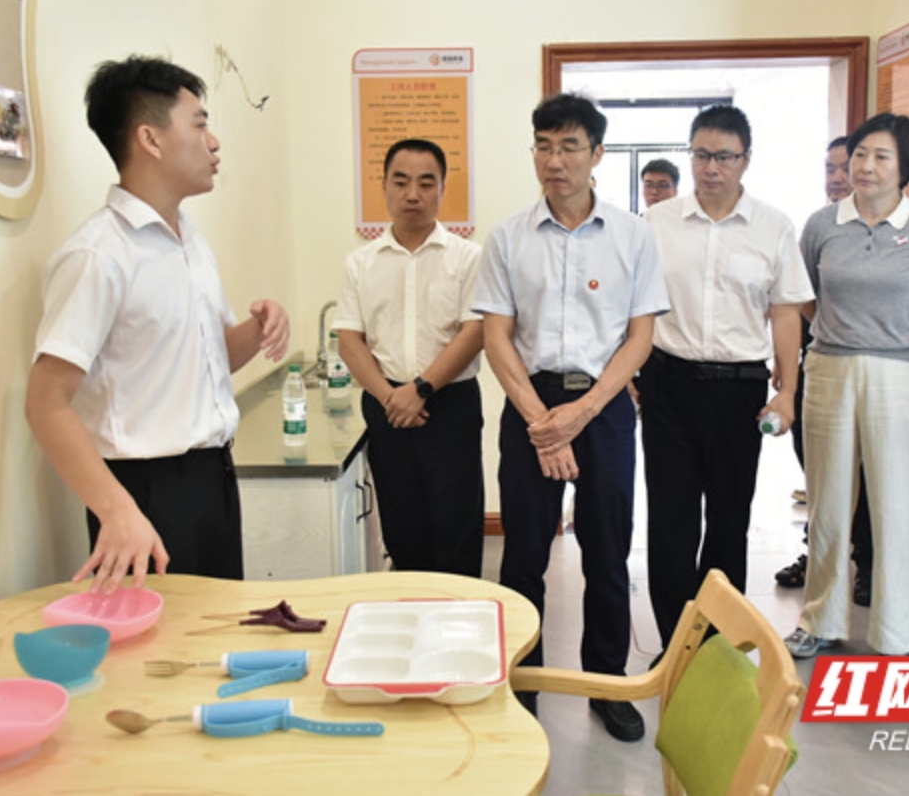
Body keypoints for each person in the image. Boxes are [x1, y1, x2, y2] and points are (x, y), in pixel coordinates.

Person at [26, 56, 289, 593]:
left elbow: (207, 359)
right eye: (199, 124)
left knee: (217, 631)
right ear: (150, 138)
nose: (214, 142)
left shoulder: (189, 240)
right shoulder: (99, 255)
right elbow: (45, 402)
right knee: (161, 643)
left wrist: (257, 329)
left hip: (212, 478)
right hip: (145, 494)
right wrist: (116, 510)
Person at [473, 93, 669, 742]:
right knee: (523, 556)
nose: (553, 160)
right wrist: (543, 425)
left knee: (607, 552)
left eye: (568, 147)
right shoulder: (508, 236)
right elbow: (497, 338)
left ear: (596, 154)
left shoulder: (633, 235)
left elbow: (639, 338)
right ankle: (521, 686)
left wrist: (579, 416)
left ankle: (605, 684)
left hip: (603, 407)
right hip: (530, 402)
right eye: (543, 146)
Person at [785, 113, 909, 659]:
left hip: (898, 374)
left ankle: (895, 633)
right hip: (829, 368)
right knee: (828, 501)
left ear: (906, 167)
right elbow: (805, 297)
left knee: (898, 502)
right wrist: (840, 331)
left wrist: (895, 337)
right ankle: (820, 620)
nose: (864, 166)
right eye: (859, 154)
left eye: (881, 156)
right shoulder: (821, 224)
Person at [640, 104, 812, 647]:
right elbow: (633, 305)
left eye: (724, 157)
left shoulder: (773, 227)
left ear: (746, 160)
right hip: (667, 385)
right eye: (701, 155)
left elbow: (785, 311)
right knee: (670, 522)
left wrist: (787, 392)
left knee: (729, 521)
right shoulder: (656, 223)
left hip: (739, 390)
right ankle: (675, 646)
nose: (711, 167)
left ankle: (714, 645)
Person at [334, 138, 486, 577]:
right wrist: (391, 397)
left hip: (450, 404)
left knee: (456, 528)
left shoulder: (468, 257)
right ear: (383, 186)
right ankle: (411, 611)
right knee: (403, 528)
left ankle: (460, 613)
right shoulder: (359, 263)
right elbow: (349, 339)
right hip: (387, 408)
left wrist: (420, 389)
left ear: (442, 188)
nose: (412, 194)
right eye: (400, 182)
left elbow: (474, 332)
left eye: (426, 183)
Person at [777, 135, 875, 606]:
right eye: (830, 169)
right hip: (818, 363)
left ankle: (867, 563)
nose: (837, 178)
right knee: (819, 471)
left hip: (875, 372)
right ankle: (817, 556)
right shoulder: (819, 226)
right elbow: (800, 297)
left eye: (844, 167)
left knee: (867, 473)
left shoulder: (894, 230)